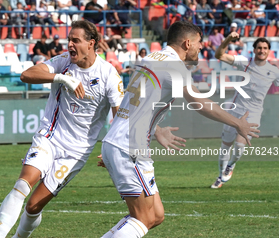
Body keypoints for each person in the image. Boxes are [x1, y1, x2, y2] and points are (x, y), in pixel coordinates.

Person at [99, 21, 260, 237]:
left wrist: (156, 129)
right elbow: (199, 101)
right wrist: (237, 122)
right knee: (143, 218)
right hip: (129, 146)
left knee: (156, 216)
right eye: (199, 43)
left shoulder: (152, 58)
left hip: (123, 142)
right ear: (187, 43)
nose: (201, 48)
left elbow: (138, 103)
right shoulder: (175, 66)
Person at [0, 19, 124, 238]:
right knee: (23, 184)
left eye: (76, 41)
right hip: (50, 138)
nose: (70, 45)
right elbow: (26, 75)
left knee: (33, 206)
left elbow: (120, 115)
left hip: (76, 152)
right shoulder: (63, 62)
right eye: (69, 40)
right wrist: (60, 77)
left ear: (91, 44)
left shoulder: (109, 75)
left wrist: (113, 149)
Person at [212, 35, 279, 188]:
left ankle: (231, 165)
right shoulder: (245, 62)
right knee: (225, 146)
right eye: (259, 48)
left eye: (265, 48)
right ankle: (221, 175)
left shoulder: (273, 71)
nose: (262, 51)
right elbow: (219, 55)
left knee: (240, 146)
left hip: (253, 114)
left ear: (269, 51)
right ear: (254, 50)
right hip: (235, 109)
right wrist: (228, 39)